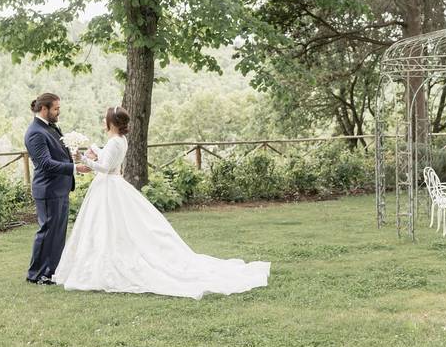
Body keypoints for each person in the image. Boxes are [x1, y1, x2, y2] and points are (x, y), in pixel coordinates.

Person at [53, 107, 270, 299]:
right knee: (111, 227)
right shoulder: (119, 140)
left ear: (111, 123)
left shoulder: (114, 142)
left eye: (105, 119)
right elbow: (110, 158)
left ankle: (105, 266)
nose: (103, 121)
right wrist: (96, 150)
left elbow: (105, 168)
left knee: (108, 227)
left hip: (108, 186)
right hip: (112, 186)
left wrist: (83, 159)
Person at [24, 93, 91, 285]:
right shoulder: (35, 132)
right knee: (47, 232)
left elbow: (57, 154)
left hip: (60, 188)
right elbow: (45, 163)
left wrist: (73, 156)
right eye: (56, 109)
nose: (58, 112)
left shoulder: (51, 128)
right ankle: (35, 274)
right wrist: (74, 168)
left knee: (58, 233)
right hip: (48, 190)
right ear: (43, 109)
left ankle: (52, 271)